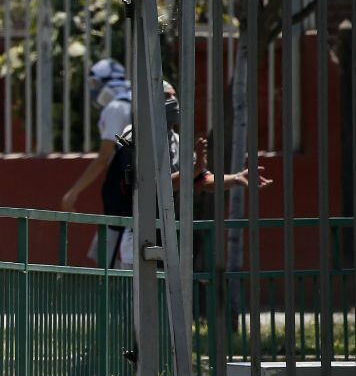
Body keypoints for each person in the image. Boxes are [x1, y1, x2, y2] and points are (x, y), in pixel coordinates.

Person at [105, 81, 273, 269]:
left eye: (174, 96)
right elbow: (152, 186)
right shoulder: (134, 136)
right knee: (139, 295)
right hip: (139, 242)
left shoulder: (177, 141)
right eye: (167, 97)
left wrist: (235, 178)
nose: (173, 101)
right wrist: (192, 171)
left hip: (171, 239)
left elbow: (202, 179)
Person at [60, 58, 132, 268]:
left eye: (94, 84)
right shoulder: (135, 101)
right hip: (136, 191)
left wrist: (73, 192)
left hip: (121, 196)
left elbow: (103, 157)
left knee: (109, 262)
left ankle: (117, 300)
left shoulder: (116, 108)